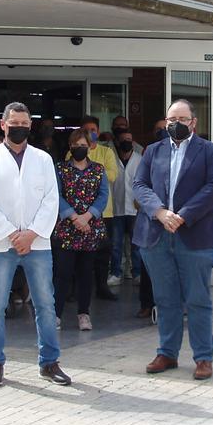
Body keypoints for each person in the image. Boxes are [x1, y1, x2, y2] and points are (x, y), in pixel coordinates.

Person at [132, 99, 213, 381]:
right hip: (157, 235)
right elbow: (139, 184)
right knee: (164, 299)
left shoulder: (209, 151)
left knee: (198, 299)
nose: (176, 124)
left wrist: (183, 215)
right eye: (171, 119)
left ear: (193, 122)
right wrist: (160, 212)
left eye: (182, 119)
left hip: (195, 235)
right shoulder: (153, 151)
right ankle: (167, 352)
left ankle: (203, 357)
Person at [0, 102, 68, 387]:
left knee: (45, 305)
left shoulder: (42, 159)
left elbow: (51, 201)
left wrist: (31, 234)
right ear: (3, 125)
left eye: (24, 124)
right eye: (13, 123)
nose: (19, 128)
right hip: (1, 244)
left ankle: (49, 363)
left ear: (31, 126)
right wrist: (11, 234)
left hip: (37, 244)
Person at [54, 128, 109, 331]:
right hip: (67, 228)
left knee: (86, 274)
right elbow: (56, 194)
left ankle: (84, 314)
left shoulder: (98, 169)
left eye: (83, 146)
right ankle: (56, 314)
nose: (79, 149)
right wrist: (74, 216)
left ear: (90, 147)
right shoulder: (60, 169)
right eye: (76, 145)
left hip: (90, 229)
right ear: (70, 146)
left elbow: (103, 195)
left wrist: (87, 216)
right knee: (62, 273)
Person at [67, 115, 119, 295]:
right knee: (75, 253)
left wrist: (94, 171)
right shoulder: (72, 151)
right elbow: (69, 178)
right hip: (76, 215)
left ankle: (102, 287)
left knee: (103, 253)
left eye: (93, 130)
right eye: (87, 130)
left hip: (104, 212)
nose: (90, 133)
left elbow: (112, 176)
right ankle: (73, 290)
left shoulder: (107, 152)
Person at [110, 129, 143, 280]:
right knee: (116, 244)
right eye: (123, 139)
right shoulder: (112, 158)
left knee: (136, 244)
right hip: (116, 208)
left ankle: (137, 273)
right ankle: (116, 273)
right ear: (117, 142)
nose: (127, 142)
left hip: (135, 208)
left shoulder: (139, 159)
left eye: (129, 139)